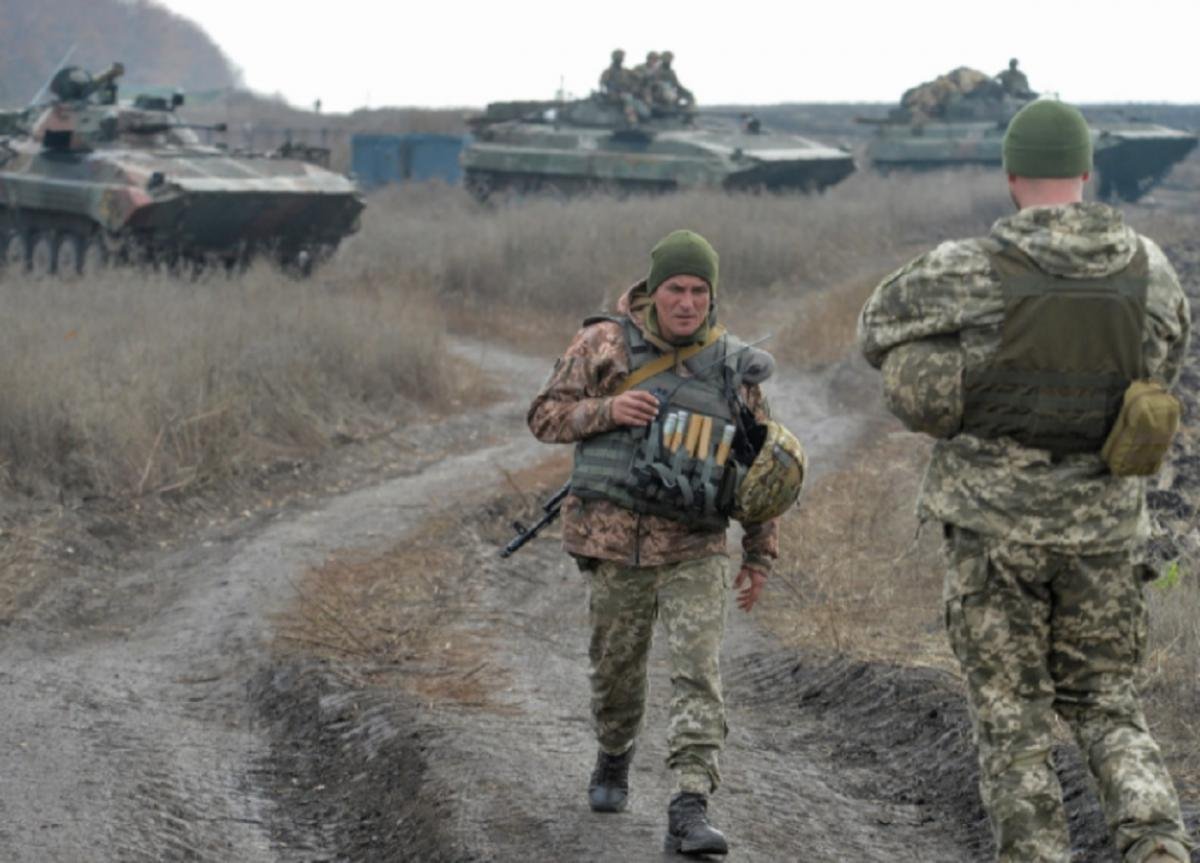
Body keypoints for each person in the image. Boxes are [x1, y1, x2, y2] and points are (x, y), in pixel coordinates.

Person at [857, 99, 1193, 863]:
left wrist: (961, 368)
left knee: (1013, 717)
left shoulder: (971, 266)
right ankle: (1157, 843)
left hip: (993, 531)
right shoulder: (1152, 269)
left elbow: (876, 327)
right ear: (1086, 171)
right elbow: (1161, 374)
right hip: (1105, 531)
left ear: (1011, 178)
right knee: (1109, 703)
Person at [528, 229, 804, 857]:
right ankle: (614, 753)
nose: (687, 302)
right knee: (616, 673)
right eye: (675, 289)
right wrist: (607, 411)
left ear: (712, 296)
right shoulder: (602, 344)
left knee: (697, 673)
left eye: (699, 291)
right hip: (612, 542)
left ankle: (689, 804)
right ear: (653, 293)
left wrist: (760, 553)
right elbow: (544, 415)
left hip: (695, 545)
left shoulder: (734, 366)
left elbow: (761, 469)